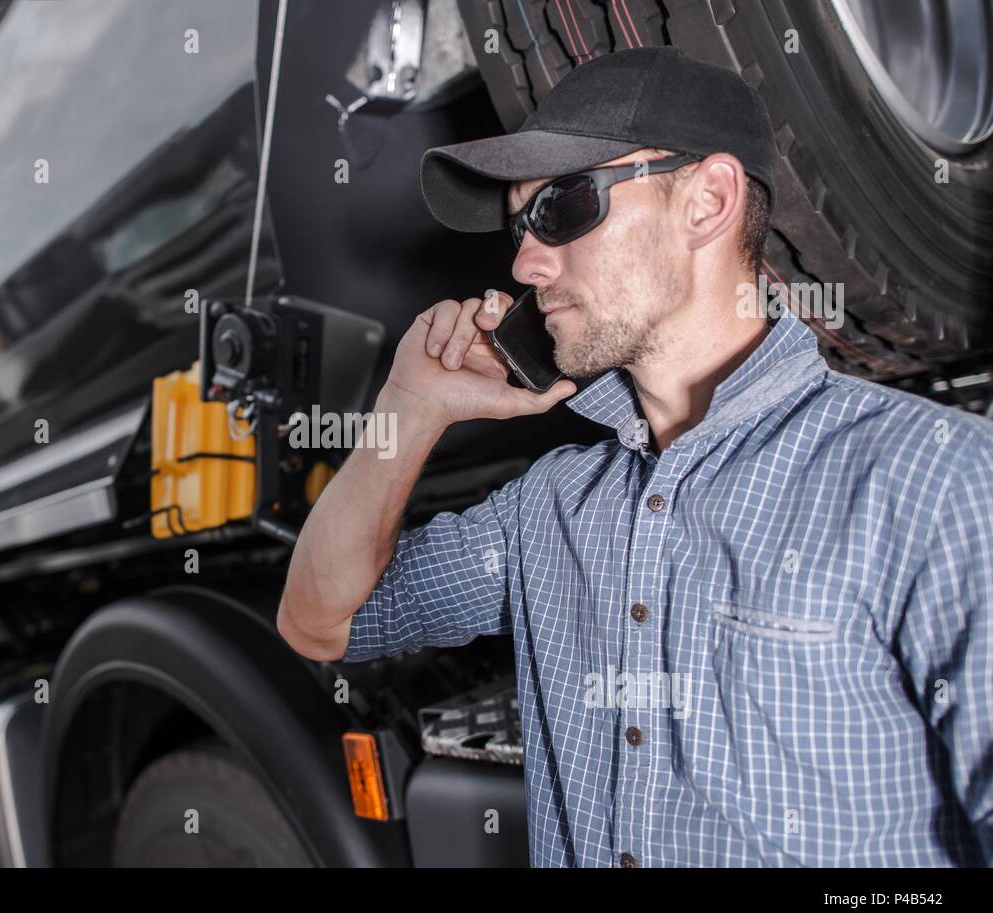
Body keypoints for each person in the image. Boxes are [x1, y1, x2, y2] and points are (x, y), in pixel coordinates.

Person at [276, 47, 993, 867]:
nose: (523, 262)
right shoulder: (546, 507)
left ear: (709, 200)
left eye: (564, 204)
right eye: (519, 225)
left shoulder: (937, 481)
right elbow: (316, 622)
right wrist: (408, 407)